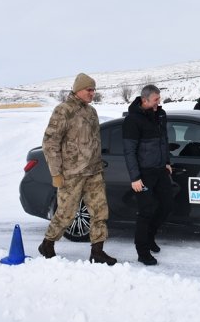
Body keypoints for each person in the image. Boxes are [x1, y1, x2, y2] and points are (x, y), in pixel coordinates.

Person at [37, 73, 116, 265]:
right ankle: (47, 244)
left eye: (93, 90)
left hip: (93, 172)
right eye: (89, 90)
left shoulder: (91, 112)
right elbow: (50, 143)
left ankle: (97, 251)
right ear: (78, 89)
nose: (92, 93)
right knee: (66, 212)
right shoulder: (63, 111)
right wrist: (55, 172)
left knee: (100, 211)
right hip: (72, 173)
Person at [123, 84, 174, 266]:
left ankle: (150, 237)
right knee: (146, 211)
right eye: (155, 99)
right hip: (143, 174)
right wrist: (135, 178)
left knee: (166, 205)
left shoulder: (160, 114)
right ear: (144, 100)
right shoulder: (133, 120)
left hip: (160, 170)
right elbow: (129, 151)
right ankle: (142, 251)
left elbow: (164, 140)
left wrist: (167, 161)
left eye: (159, 99)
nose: (158, 102)